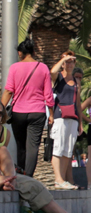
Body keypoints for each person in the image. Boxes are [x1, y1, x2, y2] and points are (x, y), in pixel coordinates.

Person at [0, 130, 91, 213]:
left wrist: (7, 180)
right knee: (28, 187)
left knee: (32, 184)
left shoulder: (5, 133)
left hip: (5, 176)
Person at [1, 38, 54, 176]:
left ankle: (20, 176)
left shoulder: (14, 67)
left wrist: (1, 109)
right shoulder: (43, 68)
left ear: (20, 53)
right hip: (37, 113)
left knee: (21, 146)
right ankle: (29, 177)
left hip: (18, 112)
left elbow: (8, 91)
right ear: (33, 52)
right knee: (33, 147)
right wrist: (51, 114)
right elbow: (48, 95)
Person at [48, 51, 82, 189]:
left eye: (71, 61)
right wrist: (63, 59)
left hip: (73, 117)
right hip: (59, 116)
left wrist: (80, 123)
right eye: (66, 61)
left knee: (68, 150)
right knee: (58, 148)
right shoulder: (58, 77)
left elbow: (78, 104)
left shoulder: (76, 81)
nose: (69, 63)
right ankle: (58, 178)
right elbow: (52, 71)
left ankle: (61, 180)